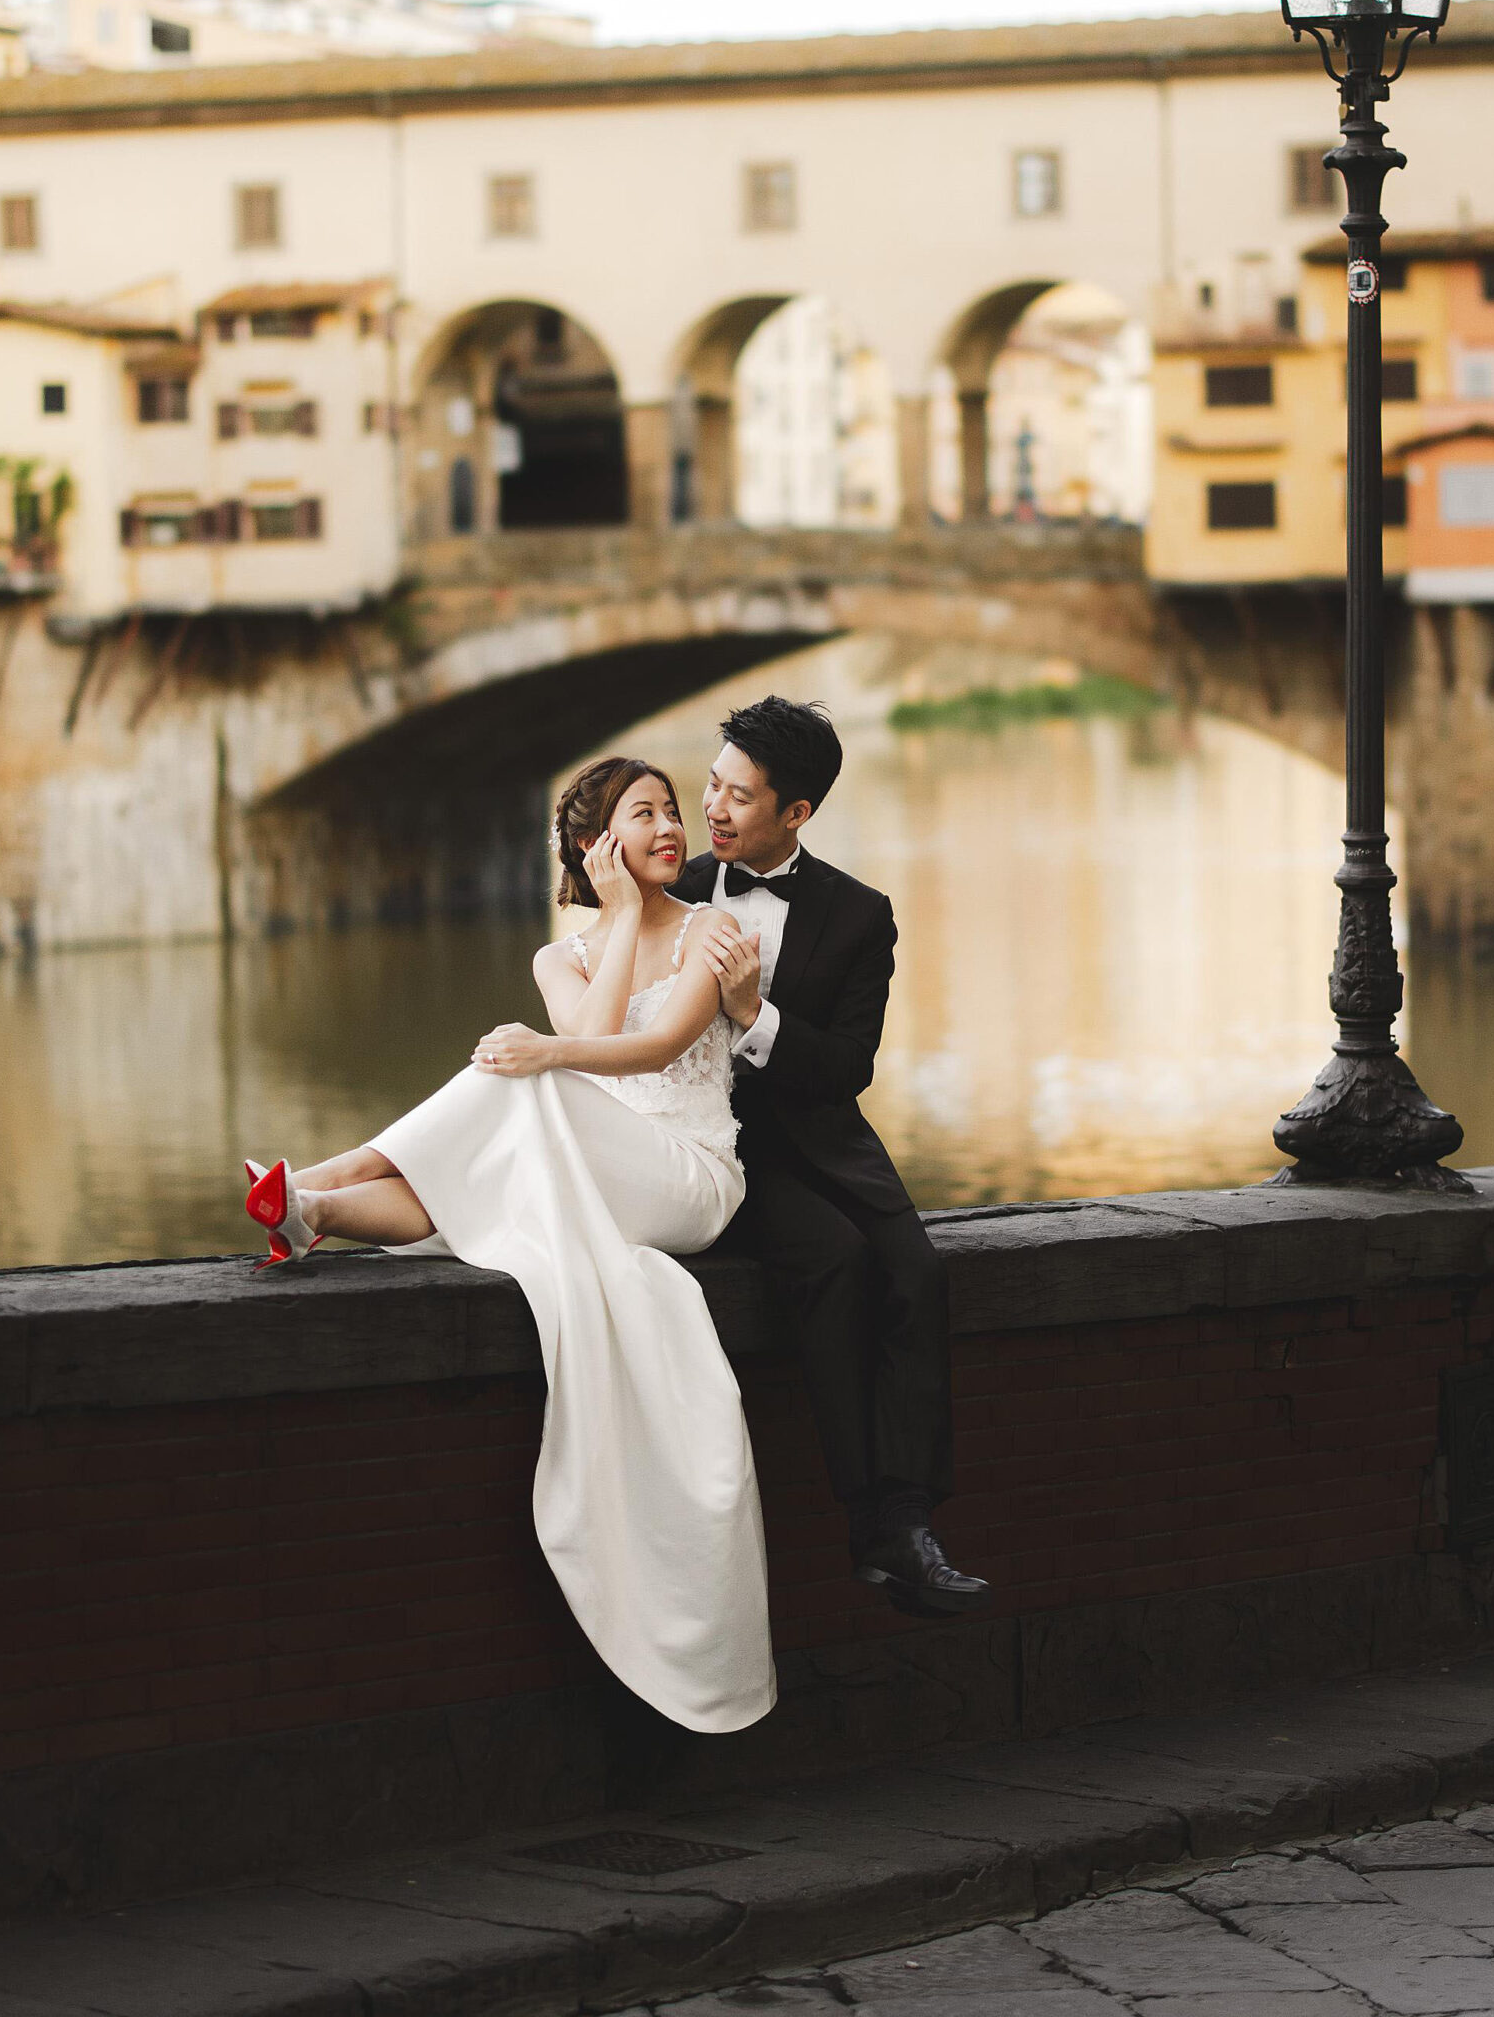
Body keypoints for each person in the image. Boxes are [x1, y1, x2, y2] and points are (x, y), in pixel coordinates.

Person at [241, 756, 775, 1738]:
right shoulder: (558, 956)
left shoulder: (714, 932)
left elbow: (641, 1051)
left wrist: (542, 1049)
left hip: (689, 1174)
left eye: (668, 811)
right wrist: (606, 932)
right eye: (643, 815)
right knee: (492, 1143)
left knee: (522, 1078)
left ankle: (325, 1169)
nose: (669, 828)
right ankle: (312, 1211)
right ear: (597, 847)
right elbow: (593, 1024)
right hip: (593, 1151)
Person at [673, 695, 989, 1618]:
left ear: (797, 812)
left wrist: (751, 1015)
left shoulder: (859, 915)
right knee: (835, 1261)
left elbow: (851, 1064)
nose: (714, 808)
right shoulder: (672, 891)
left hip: (825, 1136)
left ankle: (910, 1517)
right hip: (717, 1146)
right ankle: (874, 1520)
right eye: (711, 785)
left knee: (917, 1271)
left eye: (739, 795)